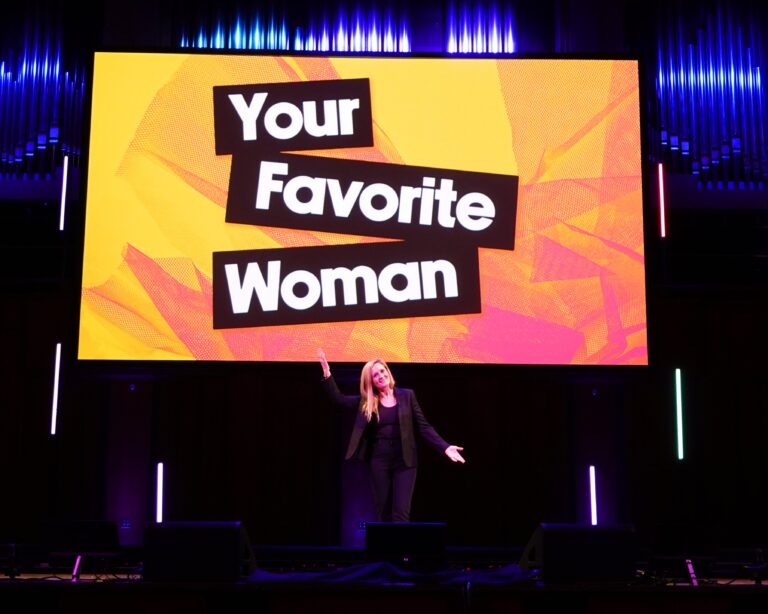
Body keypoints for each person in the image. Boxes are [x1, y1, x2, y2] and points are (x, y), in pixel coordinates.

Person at [317, 348, 465, 522]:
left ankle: (401, 550)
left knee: (401, 513)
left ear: (388, 371)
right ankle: (386, 550)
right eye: (375, 375)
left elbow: (424, 426)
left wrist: (445, 447)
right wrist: (327, 373)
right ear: (370, 381)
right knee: (383, 512)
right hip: (379, 460)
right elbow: (339, 400)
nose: (380, 375)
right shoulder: (367, 402)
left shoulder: (407, 396)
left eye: (382, 370)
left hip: (405, 460)